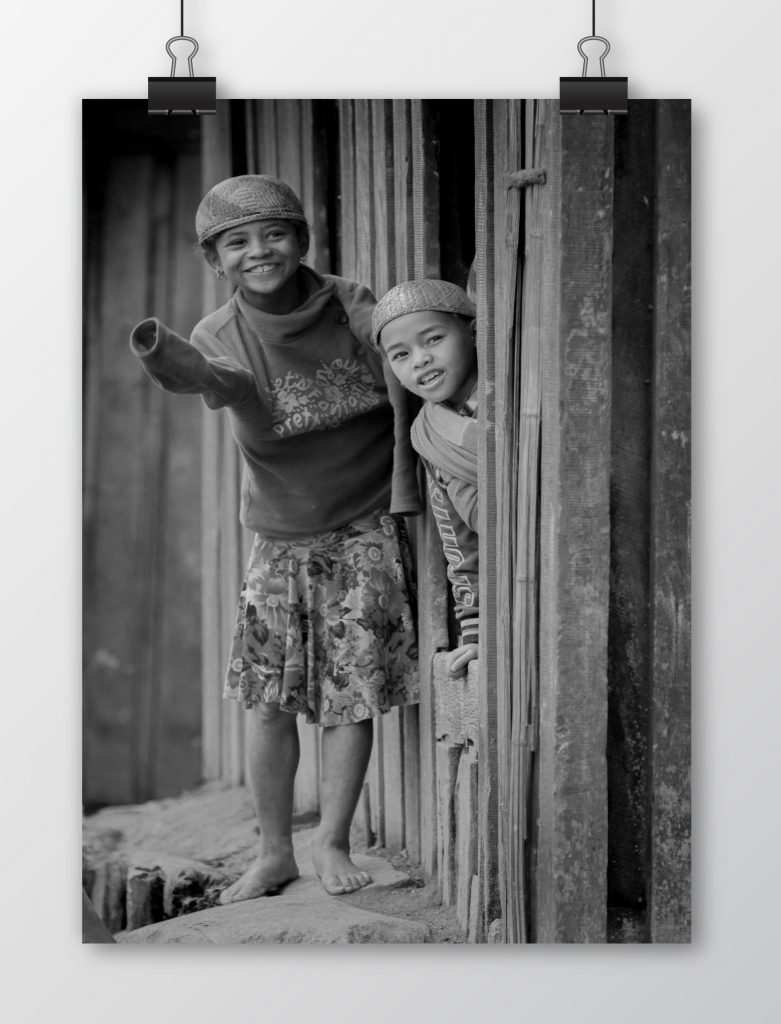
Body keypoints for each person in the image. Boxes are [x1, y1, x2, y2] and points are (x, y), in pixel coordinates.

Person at [129, 175, 420, 900]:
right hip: (280, 534)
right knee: (269, 701)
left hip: (365, 524)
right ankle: (273, 852)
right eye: (236, 242)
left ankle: (332, 841)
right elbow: (216, 380)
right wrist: (172, 361)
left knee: (351, 696)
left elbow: (402, 354)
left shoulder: (350, 303)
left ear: (301, 241)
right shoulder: (217, 336)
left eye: (274, 233)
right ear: (215, 261)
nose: (258, 250)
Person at [372, 279, 479, 680]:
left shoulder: (515, 396)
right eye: (401, 354)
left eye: (433, 339)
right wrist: (476, 630)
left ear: (473, 332)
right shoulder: (430, 437)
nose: (420, 359)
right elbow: (460, 546)